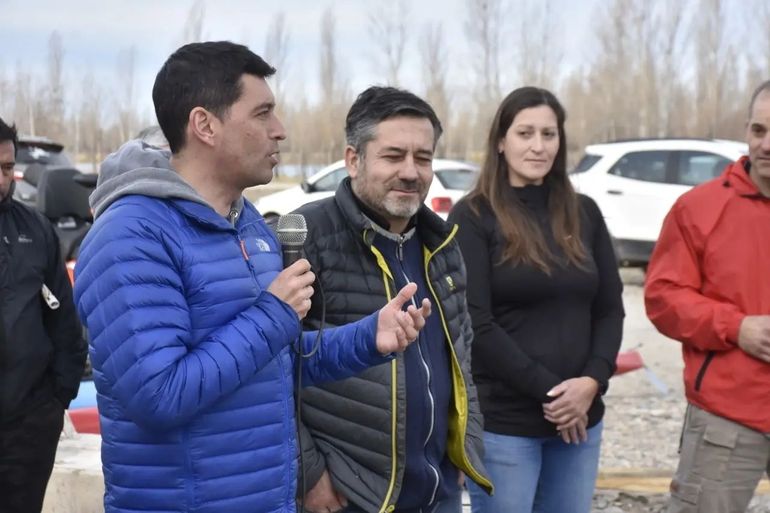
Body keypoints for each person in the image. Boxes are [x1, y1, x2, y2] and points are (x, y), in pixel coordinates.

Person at [73, 41, 431, 513]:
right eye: (262, 114)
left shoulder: (249, 223)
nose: (279, 131)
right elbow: (157, 396)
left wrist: (369, 337)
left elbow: (278, 360)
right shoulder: (131, 235)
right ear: (205, 125)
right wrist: (274, 312)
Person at [293, 86, 493, 513]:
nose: (410, 171)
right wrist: (308, 474)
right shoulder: (307, 237)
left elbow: (461, 356)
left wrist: (463, 447)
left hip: (436, 492)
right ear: (353, 159)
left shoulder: (442, 244)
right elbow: (271, 374)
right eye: (393, 156)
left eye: (423, 158)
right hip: (348, 496)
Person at [447, 87, 624, 513]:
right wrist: (555, 394)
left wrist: (591, 383)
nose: (538, 145)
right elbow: (476, 322)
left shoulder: (585, 213)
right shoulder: (473, 216)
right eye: (525, 133)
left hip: (581, 422)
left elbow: (609, 308)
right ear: (501, 141)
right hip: (507, 425)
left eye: (549, 133)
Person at [645, 80, 770, 513]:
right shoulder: (699, 208)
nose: (766, 145)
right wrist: (736, 327)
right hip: (726, 419)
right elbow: (662, 298)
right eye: (758, 130)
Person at [0, 116, 88, 513]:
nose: (2, 180)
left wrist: (56, 402)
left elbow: (64, 324)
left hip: (27, 430)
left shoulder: (35, 231)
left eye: (5, 168)